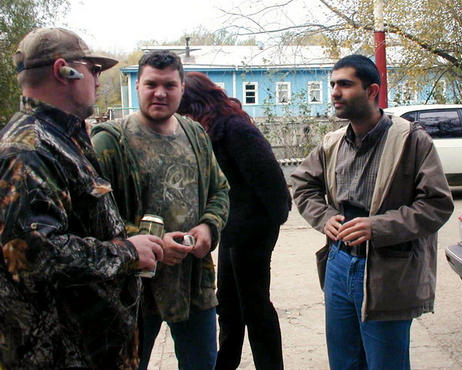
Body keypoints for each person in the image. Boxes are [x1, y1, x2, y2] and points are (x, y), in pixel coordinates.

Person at [0, 28, 164, 369]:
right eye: (94, 69)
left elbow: (73, 229)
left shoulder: (60, 139)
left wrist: (129, 241)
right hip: (62, 355)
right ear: (64, 70)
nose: (99, 81)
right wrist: (128, 252)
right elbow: (34, 255)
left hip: (94, 348)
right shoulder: (27, 150)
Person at [291, 54, 454, 370]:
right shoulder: (333, 142)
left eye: (345, 84)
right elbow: (302, 185)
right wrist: (325, 218)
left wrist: (378, 227)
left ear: (372, 90)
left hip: (387, 269)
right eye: (333, 85)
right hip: (339, 262)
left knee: (385, 363)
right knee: (345, 362)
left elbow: (437, 204)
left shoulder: (411, 140)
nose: (335, 92)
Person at [91, 51, 229, 370]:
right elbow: (93, 219)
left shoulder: (195, 134)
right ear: (138, 85)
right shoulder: (110, 142)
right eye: (151, 84)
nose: (160, 93)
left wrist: (209, 226)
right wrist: (150, 244)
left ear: (182, 88)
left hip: (193, 285)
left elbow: (220, 191)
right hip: (133, 291)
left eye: (170, 85)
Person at [177, 72, 291, 370]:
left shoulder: (234, 128)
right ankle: (226, 363)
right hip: (233, 229)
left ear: (195, 103)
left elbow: (272, 182)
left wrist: (270, 223)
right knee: (228, 303)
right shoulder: (212, 129)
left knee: (255, 305)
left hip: (254, 229)